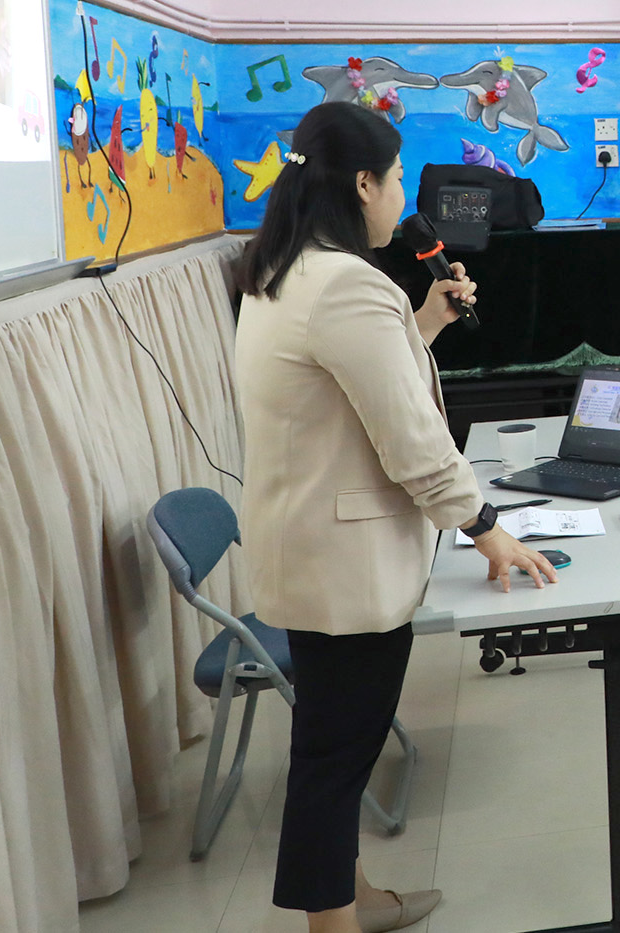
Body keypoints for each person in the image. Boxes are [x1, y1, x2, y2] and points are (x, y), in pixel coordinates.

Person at [234, 102, 555, 933]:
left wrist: (427, 321)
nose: (404, 194)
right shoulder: (348, 284)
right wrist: (486, 525)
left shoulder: (286, 269)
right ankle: (333, 924)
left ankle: (353, 897)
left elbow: (356, 384)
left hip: (307, 547)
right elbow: (409, 433)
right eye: (399, 176)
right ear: (363, 184)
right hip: (343, 564)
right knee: (334, 759)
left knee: (335, 748)